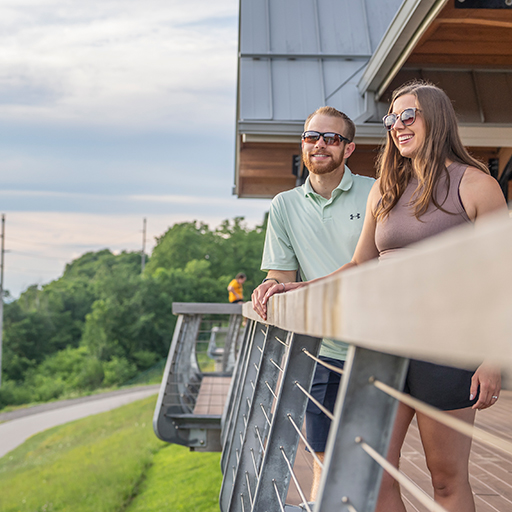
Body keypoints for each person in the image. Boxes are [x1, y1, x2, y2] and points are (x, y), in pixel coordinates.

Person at [260, 81, 508, 511]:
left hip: (447, 350)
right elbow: (360, 264)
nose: (397, 125)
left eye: (408, 115)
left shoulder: (476, 185)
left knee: (446, 479)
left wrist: (494, 358)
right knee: (374, 471)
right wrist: (297, 286)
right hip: (382, 348)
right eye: (391, 118)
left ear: (436, 118)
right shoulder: (386, 187)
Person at [251, 106, 374, 499]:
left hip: (379, 348)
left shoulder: (377, 191)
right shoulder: (284, 205)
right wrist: (268, 285)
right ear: (302, 144)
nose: (319, 144)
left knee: (376, 467)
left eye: (331, 138)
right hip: (322, 351)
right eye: (311, 137)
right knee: (324, 463)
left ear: (349, 148)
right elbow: (283, 277)